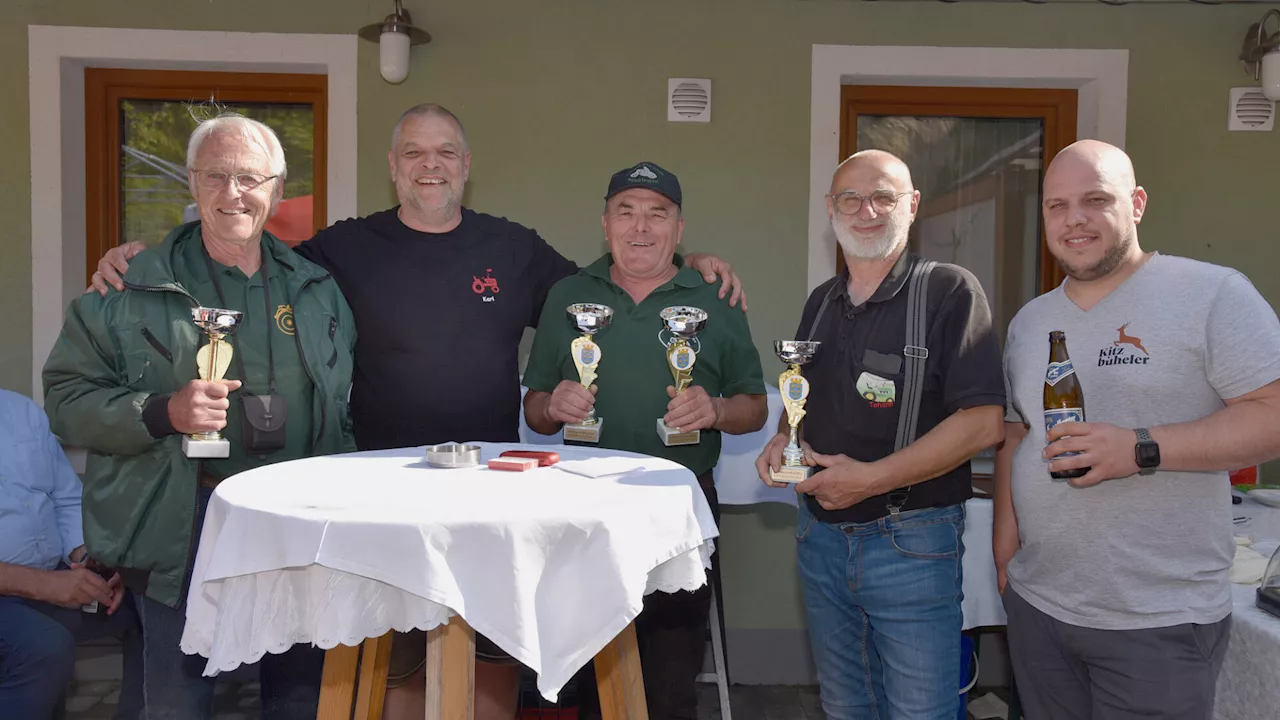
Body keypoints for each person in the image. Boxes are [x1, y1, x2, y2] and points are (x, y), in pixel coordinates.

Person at [88, 104, 746, 720]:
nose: (430, 165)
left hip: (491, 494)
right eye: (414, 153)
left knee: (490, 642)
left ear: (465, 165)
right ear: (393, 166)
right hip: (379, 496)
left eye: (445, 153)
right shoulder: (341, 249)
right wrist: (146, 254)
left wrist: (691, 265)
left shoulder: (513, 248)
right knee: (393, 650)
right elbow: (242, 246)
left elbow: (605, 289)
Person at [44, 113, 357, 719]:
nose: (232, 193)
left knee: (300, 694)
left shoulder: (317, 287)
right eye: (215, 176)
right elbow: (66, 401)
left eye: (249, 178)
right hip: (181, 521)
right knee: (174, 698)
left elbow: (342, 402)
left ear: (277, 189)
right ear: (191, 182)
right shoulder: (132, 287)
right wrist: (163, 411)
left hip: (295, 523)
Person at [992, 139, 1280, 720]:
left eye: (1095, 199)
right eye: (1056, 205)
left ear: (1138, 203)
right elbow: (1017, 434)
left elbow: (1272, 412)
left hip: (1158, 618)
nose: (1074, 219)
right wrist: (1005, 541)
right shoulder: (1031, 321)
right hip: (1040, 606)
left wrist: (1142, 448)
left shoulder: (1211, 293)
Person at [753, 149, 1005, 720]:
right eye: (851, 198)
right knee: (846, 708)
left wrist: (870, 481)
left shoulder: (949, 292)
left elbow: (984, 422)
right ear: (830, 209)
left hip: (910, 541)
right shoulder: (822, 301)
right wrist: (778, 439)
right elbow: (800, 394)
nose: (866, 210)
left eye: (884, 196)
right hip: (819, 540)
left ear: (911, 206)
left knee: (921, 713)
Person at [522, 161, 767, 720]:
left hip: (677, 505)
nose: (640, 227)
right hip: (581, 504)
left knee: (670, 677)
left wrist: (717, 409)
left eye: (657, 214)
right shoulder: (567, 295)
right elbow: (535, 410)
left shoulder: (714, 297)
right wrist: (552, 404)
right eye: (626, 212)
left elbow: (754, 408)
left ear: (679, 230)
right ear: (604, 224)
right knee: (588, 676)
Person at [0, 388, 142, 720]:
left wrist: (86, 556)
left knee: (150, 605)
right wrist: (43, 585)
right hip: (16, 593)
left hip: (53, 581)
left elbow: (65, 498)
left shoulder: (21, 411)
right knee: (46, 649)